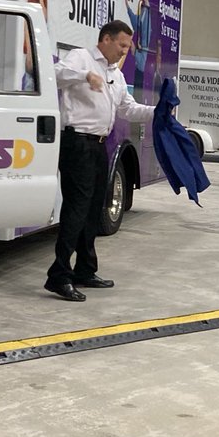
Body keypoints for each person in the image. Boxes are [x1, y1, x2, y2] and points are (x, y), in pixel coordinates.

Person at [45, 21, 155, 301]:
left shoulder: (114, 75)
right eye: (121, 45)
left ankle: (85, 269)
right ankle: (58, 275)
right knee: (77, 208)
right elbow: (54, 74)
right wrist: (85, 76)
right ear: (105, 39)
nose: (124, 51)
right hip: (77, 143)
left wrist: (159, 111)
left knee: (94, 208)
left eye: (127, 47)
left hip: (100, 146)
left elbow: (128, 109)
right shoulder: (81, 57)